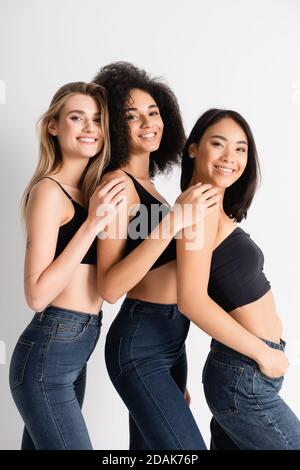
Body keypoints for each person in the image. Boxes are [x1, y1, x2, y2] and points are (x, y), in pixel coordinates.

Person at [94, 62, 219, 450]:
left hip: (171, 339)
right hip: (140, 341)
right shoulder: (118, 186)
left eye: (153, 111)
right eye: (132, 116)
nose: (148, 122)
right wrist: (175, 220)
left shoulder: (150, 186)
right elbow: (110, 286)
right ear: (115, 125)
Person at [9, 81, 126, 450]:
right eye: (78, 118)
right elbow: (37, 294)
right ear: (53, 126)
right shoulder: (49, 191)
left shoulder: (89, 193)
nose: (90, 128)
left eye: (97, 120)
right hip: (49, 354)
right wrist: (92, 224)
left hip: (76, 349)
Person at [177, 108, 300, 450]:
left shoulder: (210, 205)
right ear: (193, 148)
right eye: (218, 144)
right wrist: (264, 353)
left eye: (241, 148)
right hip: (243, 373)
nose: (231, 157)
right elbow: (191, 299)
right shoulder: (197, 211)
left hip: (248, 372)